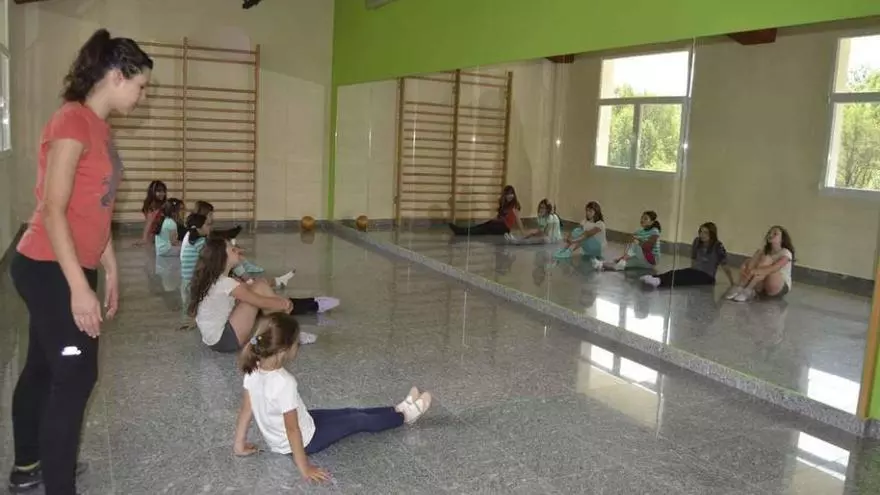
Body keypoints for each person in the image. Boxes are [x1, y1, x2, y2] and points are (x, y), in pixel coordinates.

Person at [7, 29, 152, 494]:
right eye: (141, 85)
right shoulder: (71, 120)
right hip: (47, 264)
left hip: (68, 262)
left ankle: (28, 465)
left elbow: (93, 207)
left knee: (43, 366)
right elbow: (53, 209)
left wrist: (109, 266)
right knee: (75, 374)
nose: (142, 96)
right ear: (117, 75)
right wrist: (78, 287)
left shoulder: (99, 127)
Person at [232, 313, 432, 483]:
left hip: (297, 427)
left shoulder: (254, 368)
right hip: (305, 441)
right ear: (285, 350)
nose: (298, 346)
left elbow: (247, 409)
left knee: (350, 412)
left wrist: (239, 445)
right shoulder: (284, 382)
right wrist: (305, 468)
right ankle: (404, 416)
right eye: (297, 342)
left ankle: (397, 408)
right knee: (357, 420)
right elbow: (292, 430)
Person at [188, 237, 338, 352]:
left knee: (259, 285)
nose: (238, 250)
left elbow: (250, 287)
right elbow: (259, 301)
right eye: (233, 250)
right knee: (260, 289)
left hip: (215, 340)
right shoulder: (226, 283)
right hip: (225, 340)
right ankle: (288, 336)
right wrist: (284, 303)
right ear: (222, 258)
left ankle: (284, 332)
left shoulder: (217, 280)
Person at [641, 222, 735, 288]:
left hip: (707, 276)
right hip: (695, 271)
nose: (702, 235)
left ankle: (659, 282)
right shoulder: (697, 241)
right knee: (677, 273)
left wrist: (732, 282)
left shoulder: (717, 246)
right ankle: (656, 277)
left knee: (683, 279)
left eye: (705, 232)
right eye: (701, 232)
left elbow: (725, 265)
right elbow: (693, 258)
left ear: (712, 234)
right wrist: (692, 269)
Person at [726, 225, 795, 302]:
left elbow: (774, 268)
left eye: (775, 233)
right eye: (769, 233)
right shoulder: (763, 251)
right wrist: (746, 265)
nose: (771, 235)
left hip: (778, 285)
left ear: (782, 239)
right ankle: (741, 287)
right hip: (763, 285)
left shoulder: (786, 252)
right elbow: (750, 263)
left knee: (767, 260)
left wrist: (754, 271)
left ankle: (748, 288)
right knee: (757, 255)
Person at [448, 185, 525, 237]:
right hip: (499, 225)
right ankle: (463, 230)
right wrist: (486, 220)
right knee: (485, 225)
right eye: (508, 194)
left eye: (511, 194)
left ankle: (463, 231)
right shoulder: (504, 204)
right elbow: (499, 217)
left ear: (514, 195)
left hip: (504, 228)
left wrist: (523, 232)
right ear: (504, 195)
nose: (510, 196)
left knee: (486, 227)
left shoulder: (515, 205)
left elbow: (518, 219)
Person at [595, 211, 661, 271]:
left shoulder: (654, 231)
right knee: (620, 265)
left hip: (651, 260)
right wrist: (621, 258)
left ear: (651, 222)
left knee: (634, 242)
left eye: (645, 219)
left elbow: (648, 247)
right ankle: (601, 264)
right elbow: (629, 242)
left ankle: (624, 259)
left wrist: (636, 241)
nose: (642, 220)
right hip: (643, 260)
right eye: (642, 218)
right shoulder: (639, 231)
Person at [133, 180, 166, 247]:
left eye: (163, 191)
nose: (162, 193)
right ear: (152, 192)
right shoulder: (152, 206)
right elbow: (149, 223)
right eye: (159, 191)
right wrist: (144, 239)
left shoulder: (162, 203)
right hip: (157, 233)